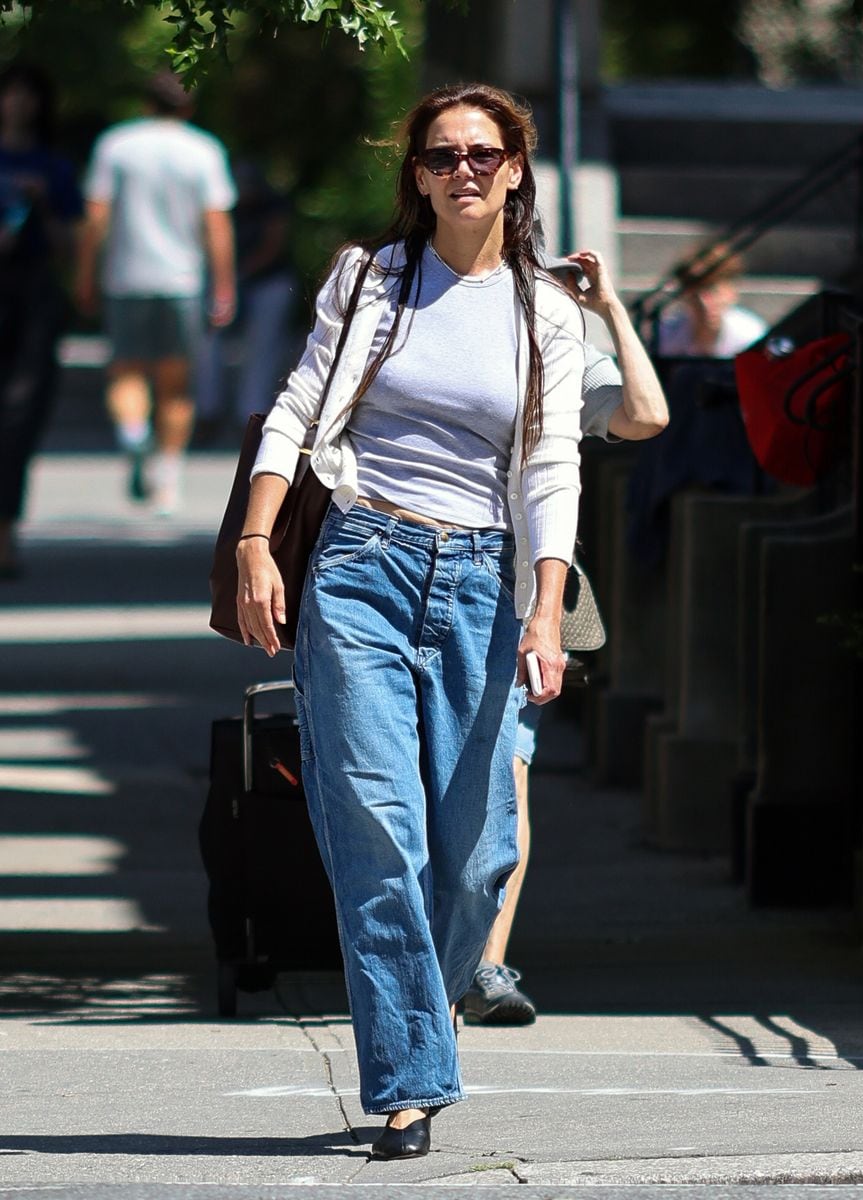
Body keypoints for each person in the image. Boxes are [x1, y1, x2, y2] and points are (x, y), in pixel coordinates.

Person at [235, 82, 585, 1160]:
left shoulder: (546, 311)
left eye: (485, 154)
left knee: (480, 855)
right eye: (442, 156)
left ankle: (413, 1018)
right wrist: (256, 541)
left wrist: (546, 607)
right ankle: (409, 1079)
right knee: (378, 833)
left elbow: (549, 466)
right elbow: (297, 406)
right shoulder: (371, 280)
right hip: (362, 567)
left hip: (483, 581)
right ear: (419, 176)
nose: (464, 170)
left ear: (518, 169)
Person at [464, 242, 670, 1025]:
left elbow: (647, 415)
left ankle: (485, 967)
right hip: (414, 568)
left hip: (518, 595)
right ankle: (434, 962)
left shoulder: (565, 355)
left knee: (503, 779)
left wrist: (607, 309)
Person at [75, 69, 237, 514]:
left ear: (145, 103)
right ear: (188, 106)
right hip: (182, 282)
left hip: (125, 279)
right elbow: (216, 225)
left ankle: (132, 434)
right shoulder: (204, 151)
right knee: (176, 386)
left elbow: (95, 217)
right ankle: (166, 477)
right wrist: (224, 285)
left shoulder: (115, 146)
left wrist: (84, 274)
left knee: (125, 373)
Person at [0, 62, 82, 579]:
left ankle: (4, 532)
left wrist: (40, 206)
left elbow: (68, 245)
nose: (19, 104)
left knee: (18, 417)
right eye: (11, 93)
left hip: (30, 295)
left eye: (30, 95)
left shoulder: (53, 166)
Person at [195, 160, 297, 436]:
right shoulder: (219, 205)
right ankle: (207, 410)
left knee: (262, 347)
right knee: (207, 345)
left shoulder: (272, 205)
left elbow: (273, 245)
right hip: (224, 280)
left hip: (268, 281)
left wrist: (240, 273)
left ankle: (249, 414)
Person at [656, 247, 767, 359]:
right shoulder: (665, 337)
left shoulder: (750, 336)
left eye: (714, 292)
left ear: (731, 293)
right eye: (695, 294)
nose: (704, 303)